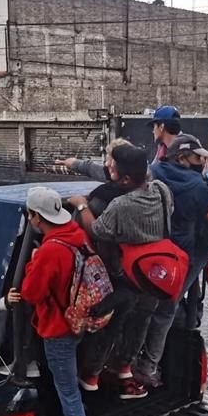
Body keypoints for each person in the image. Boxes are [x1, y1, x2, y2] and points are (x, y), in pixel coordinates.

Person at [4, 186, 96, 416]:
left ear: (35, 217)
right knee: (70, 384)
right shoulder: (76, 235)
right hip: (79, 320)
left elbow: (31, 293)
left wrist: (32, 262)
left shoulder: (49, 251)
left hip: (58, 329)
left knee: (67, 391)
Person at [68, 145, 172, 400]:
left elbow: (96, 230)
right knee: (141, 321)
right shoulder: (161, 190)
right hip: (155, 275)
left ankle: (91, 376)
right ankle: (124, 368)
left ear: (125, 179)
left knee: (112, 325)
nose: (108, 167)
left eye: (112, 166)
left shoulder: (120, 205)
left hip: (126, 279)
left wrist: (81, 206)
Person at [137, 134, 208, 387]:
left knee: (146, 308)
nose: (202, 163)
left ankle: (130, 361)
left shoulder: (153, 173)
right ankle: (148, 366)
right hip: (186, 258)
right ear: (182, 158)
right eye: (198, 158)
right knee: (167, 310)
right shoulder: (198, 187)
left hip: (154, 255)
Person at [54, 138, 131, 182]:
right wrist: (65, 162)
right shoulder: (105, 173)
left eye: (111, 161)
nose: (107, 164)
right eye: (107, 161)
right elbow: (85, 166)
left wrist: (81, 204)